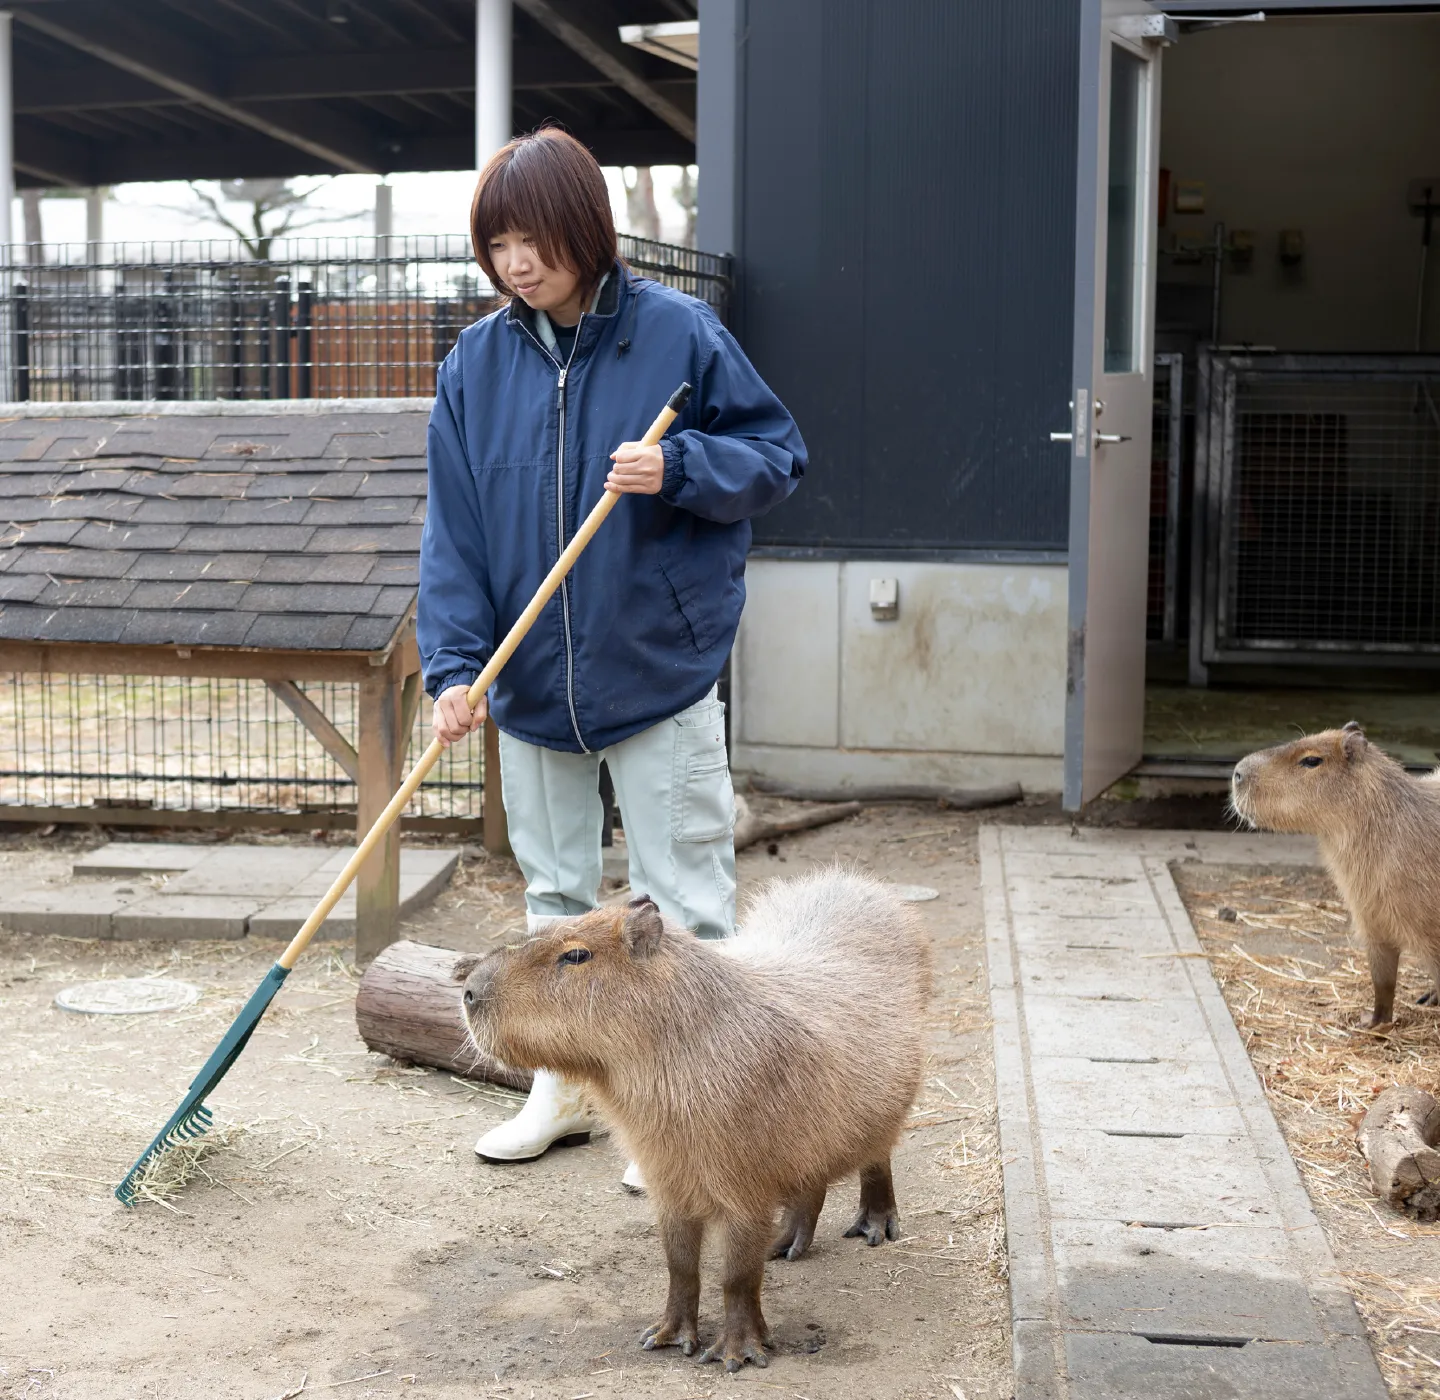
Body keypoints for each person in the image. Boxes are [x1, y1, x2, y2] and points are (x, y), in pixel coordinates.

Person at [418, 127, 807, 1180]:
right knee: (553, 903)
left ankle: (694, 1109)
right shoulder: (476, 362)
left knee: (677, 900)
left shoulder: (678, 334)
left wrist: (678, 465)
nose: (515, 262)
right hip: (533, 677)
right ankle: (567, 1095)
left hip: (656, 666)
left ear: (583, 227)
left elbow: (777, 456)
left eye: (533, 237)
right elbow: (451, 535)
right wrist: (456, 667)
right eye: (497, 242)